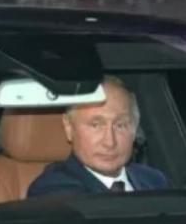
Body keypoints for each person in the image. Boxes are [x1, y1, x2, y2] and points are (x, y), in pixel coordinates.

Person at [27, 76, 169, 197]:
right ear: (69, 127)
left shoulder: (154, 181)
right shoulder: (52, 190)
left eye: (120, 125)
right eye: (96, 125)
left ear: (134, 129)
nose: (110, 142)